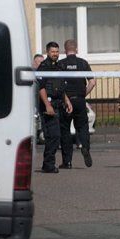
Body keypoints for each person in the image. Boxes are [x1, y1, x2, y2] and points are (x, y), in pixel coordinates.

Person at [58, 39, 96, 168]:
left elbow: (57, 85)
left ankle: (67, 161)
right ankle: (85, 147)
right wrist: (83, 94)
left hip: (66, 101)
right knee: (82, 127)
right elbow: (92, 82)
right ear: (77, 49)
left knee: (65, 130)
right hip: (80, 100)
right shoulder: (83, 63)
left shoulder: (61, 64)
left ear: (64, 50)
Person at [37, 42, 72, 173]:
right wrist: (47, 105)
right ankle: (48, 164)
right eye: (53, 52)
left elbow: (61, 87)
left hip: (58, 103)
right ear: (47, 52)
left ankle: (48, 164)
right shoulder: (43, 67)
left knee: (55, 136)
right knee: (53, 135)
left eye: (57, 52)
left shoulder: (59, 66)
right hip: (48, 105)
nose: (55, 54)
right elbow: (41, 88)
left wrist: (67, 101)